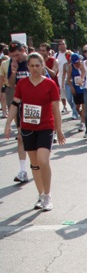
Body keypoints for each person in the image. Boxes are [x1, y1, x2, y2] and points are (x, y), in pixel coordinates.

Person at [4, 53, 65, 210]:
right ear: (28, 67)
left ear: (42, 65)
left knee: (43, 160)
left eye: (38, 65)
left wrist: (59, 130)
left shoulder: (50, 84)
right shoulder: (23, 84)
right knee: (35, 164)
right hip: (28, 127)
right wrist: (8, 123)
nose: (35, 69)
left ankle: (48, 194)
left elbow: (55, 108)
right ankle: (41, 195)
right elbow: (15, 104)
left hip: (45, 126)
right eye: (31, 66)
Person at [6, 41, 30, 183]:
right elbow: (10, 84)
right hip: (22, 106)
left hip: (36, 106)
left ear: (23, 50)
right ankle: (22, 170)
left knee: (35, 140)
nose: (17, 57)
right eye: (13, 55)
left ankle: (38, 165)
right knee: (21, 138)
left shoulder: (33, 61)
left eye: (18, 54)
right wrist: (14, 71)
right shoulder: (13, 64)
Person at [67, 53, 85, 132]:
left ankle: (83, 122)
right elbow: (68, 79)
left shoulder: (82, 65)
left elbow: (84, 75)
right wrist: (71, 87)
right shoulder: (71, 67)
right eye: (74, 62)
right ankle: (83, 118)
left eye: (77, 62)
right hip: (76, 89)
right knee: (77, 107)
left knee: (84, 107)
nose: (76, 63)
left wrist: (82, 77)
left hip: (83, 88)